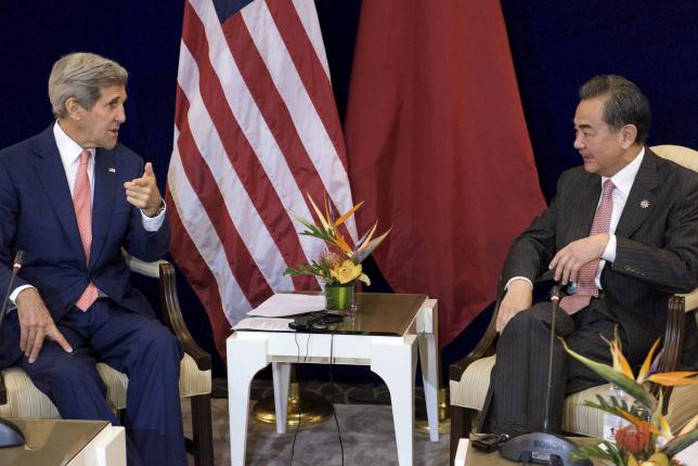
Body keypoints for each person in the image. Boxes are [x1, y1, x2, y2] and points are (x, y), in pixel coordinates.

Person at [479, 75, 698, 437]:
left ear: (626, 135)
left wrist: (606, 245)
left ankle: (510, 448)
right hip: (572, 311)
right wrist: (518, 285)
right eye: (576, 131)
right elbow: (532, 241)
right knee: (527, 326)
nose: (576, 143)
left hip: (634, 324)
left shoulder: (682, 187)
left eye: (587, 132)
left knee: (526, 359)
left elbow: (685, 270)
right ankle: (531, 453)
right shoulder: (574, 182)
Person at [0, 52, 185, 466]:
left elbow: (147, 251)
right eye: (112, 104)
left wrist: (153, 212)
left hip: (110, 308)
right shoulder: (13, 166)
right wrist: (23, 294)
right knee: (70, 374)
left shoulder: (128, 163)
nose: (123, 115)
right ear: (75, 108)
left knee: (159, 344)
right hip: (43, 318)